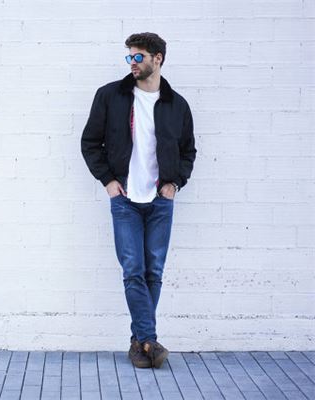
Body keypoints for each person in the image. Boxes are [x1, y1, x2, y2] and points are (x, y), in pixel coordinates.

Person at [80, 32, 197, 368]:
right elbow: (90, 143)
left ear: (157, 59)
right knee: (133, 270)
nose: (132, 62)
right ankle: (149, 341)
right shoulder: (110, 96)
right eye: (129, 56)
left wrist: (174, 183)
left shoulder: (177, 105)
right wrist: (108, 181)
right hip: (125, 199)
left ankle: (140, 343)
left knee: (153, 272)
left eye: (138, 56)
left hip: (161, 200)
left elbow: (188, 151)